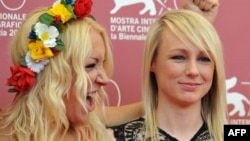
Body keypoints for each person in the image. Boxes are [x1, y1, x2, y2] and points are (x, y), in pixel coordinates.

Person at [0, 0, 143, 140]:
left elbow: (110, 114)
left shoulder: (90, 124)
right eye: (90, 65)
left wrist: (152, 104)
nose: (105, 79)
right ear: (52, 74)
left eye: (102, 63)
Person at [111, 5, 228, 141]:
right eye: (178, 57)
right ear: (152, 62)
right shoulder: (112, 137)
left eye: (204, 59)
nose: (193, 71)